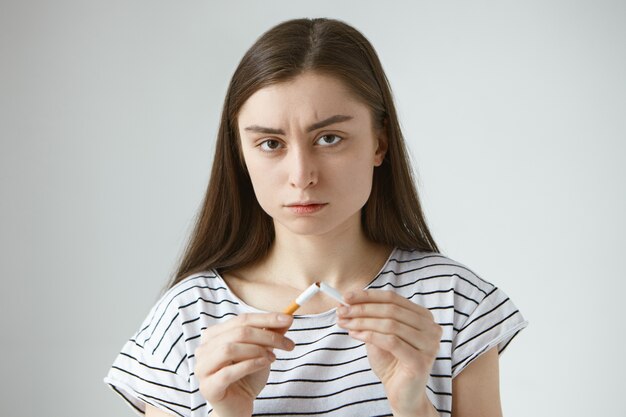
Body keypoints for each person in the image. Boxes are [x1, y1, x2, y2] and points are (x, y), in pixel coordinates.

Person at [104, 17, 527, 417]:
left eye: (329, 138)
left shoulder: (454, 302)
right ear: (240, 154)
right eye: (270, 143)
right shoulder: (187, 316)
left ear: (379, 144)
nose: (302, 176)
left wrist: (414, 405)